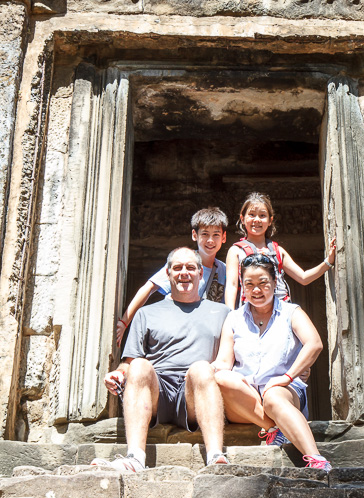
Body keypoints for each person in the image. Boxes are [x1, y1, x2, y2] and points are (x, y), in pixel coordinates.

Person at [91, 247, 230, 472]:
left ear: (200, 273)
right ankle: (135, 459)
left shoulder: (223, 313)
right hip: (157, 392)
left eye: (190, 267)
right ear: (168, 273)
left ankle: (216, 457)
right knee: (139, 365)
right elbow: (129, 362)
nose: (184, 273)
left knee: (202, 368)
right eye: (177, 268)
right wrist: (118, 373)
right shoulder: (146, 313)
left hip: (195, 391)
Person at [212, 253, 332, 471]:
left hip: (284, 391)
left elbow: (314, 344)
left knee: (273, 396)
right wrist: (205, 371)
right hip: (246, 399)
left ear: (275, 282)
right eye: (249, 284)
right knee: (221, 379)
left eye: (263, 283)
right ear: (242, 286)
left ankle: (317, 460)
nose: (256, 290)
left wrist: (287, 377)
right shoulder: (234, 318)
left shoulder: (291, 312)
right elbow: (223, 363)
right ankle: (274, 428)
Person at [116, 207, 228, 346]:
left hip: (205, 337)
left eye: (216, 235)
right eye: (205, 234)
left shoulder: (225, 270)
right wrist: (124, 322)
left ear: (224, 237)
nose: (210, 240)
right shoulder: (182, 263)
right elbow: (149, 287)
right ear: (194, 235)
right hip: (177, 331)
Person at [225, 192, 336, 310]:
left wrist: (328, 262)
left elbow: (303, 278)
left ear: (270, 220)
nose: (256, 220)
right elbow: (232, 285)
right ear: (242, 219)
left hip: (280, 311)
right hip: (250, 311)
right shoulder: (236, 251)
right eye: (252, 215)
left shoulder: (277, 251)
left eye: (262, 215)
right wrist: (230, 315)